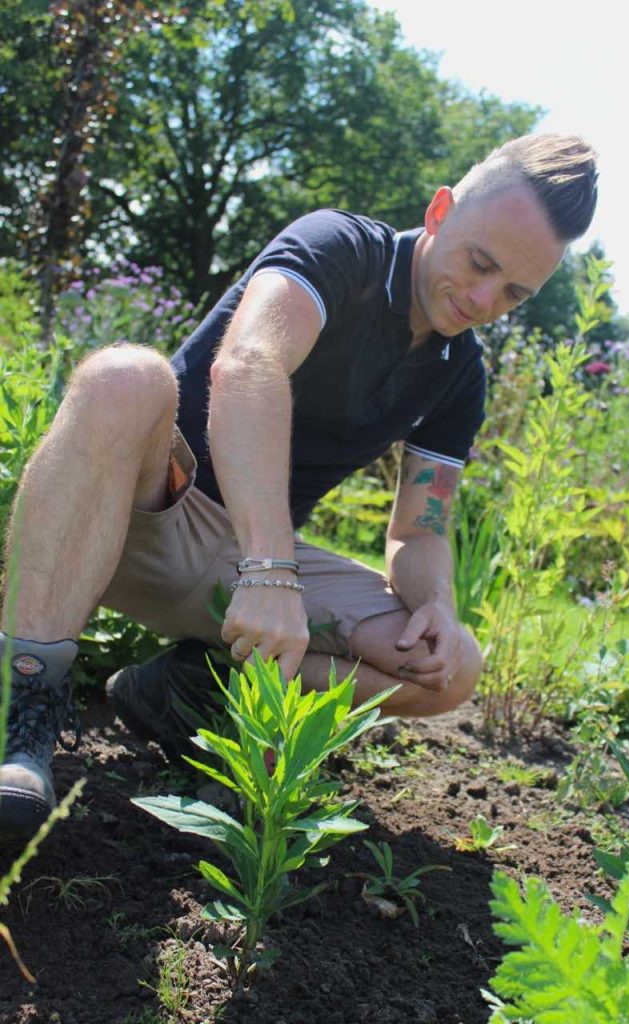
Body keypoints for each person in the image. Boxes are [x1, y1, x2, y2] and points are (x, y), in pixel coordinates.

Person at [0, 133, 598, 837]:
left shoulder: (458, 373)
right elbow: (249, 364)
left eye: (513, 292)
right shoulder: (339, 248)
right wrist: (270, 567)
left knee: (451, 667)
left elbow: (417, 529)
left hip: (247, 572)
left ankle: (186, 692)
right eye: (479, 263)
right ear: (439, 212)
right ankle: (25, 711)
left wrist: (435, 601)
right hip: (147, 510)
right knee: (124, 376)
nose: (480, 298)